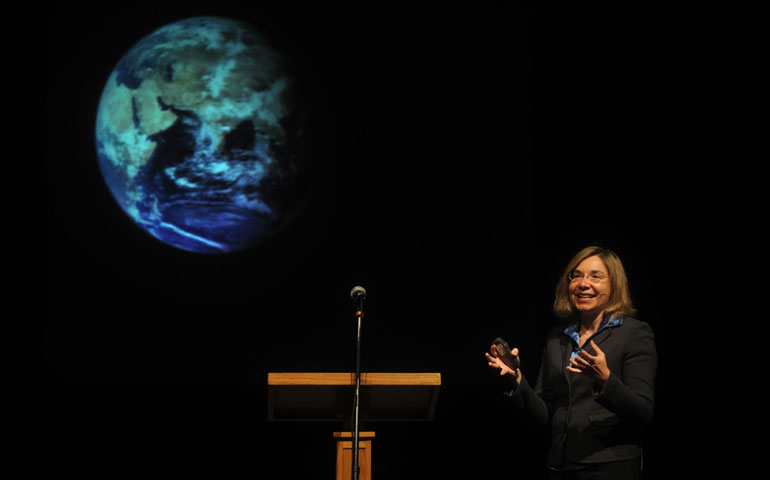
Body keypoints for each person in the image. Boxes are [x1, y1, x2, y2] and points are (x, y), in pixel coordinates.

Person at [486, 246, 657, 479]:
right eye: (576, 275)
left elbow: (642, 413)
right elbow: (544, 414)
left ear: (614, 285)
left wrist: (605, 380)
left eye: (595, 276)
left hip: (609, 466)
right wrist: (516, 379)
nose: (583, 283)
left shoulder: (634, 333)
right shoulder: (557, 338)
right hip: (560, 465)